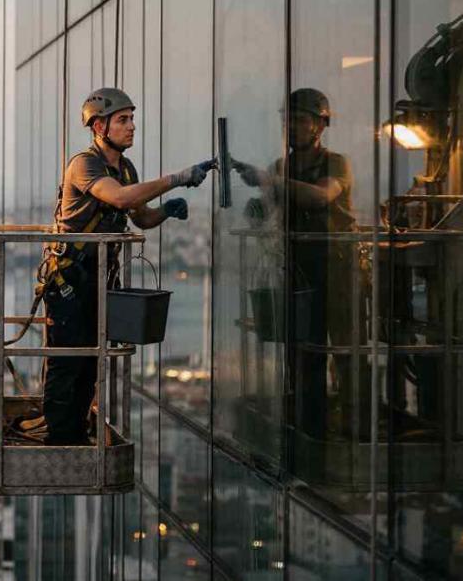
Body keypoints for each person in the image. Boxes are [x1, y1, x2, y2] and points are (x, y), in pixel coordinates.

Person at [41, 88, 213, 446]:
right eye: (123, 120)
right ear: (100, 126)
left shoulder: (126, 169)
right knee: (68, 358)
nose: (131, 126)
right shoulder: (84, 164)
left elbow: (141, 216)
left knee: (92, 360)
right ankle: (60, 436)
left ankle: (75, 432)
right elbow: (119, 198)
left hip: (99, 277)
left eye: (131, 119)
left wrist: (165, 211)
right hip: (69, 276)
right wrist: (175, 179)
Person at [234, 87, 365, 441]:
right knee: (303, 352)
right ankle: (312, 426)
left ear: (320, 126)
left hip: (337, 266)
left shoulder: (335, 163)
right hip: (299, 268)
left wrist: (269, 181)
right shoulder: (282, 167)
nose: (292, 126)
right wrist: (260, 207)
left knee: (345, 349)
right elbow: (275, 209)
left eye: (301, 120)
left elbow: (321, 196)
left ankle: (355, 427)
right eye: (287, 119)